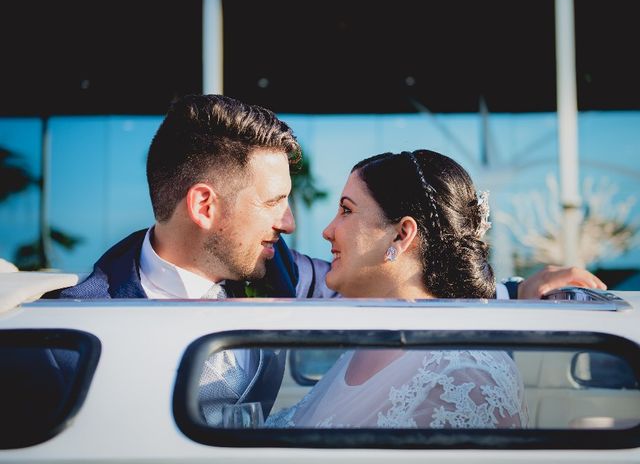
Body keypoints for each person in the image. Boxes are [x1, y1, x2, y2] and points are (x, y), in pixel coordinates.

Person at [44, 94, 603, 424]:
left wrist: (519, 293)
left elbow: (400, 283)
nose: (291, 223)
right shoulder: (60, 341)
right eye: (274, 202)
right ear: (205, 205)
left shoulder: (277, 272)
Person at [266, 150, 529, 428]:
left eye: (346, 210)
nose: (328, 231)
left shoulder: (465, 378)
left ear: (401, 234)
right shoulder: (368, 346)